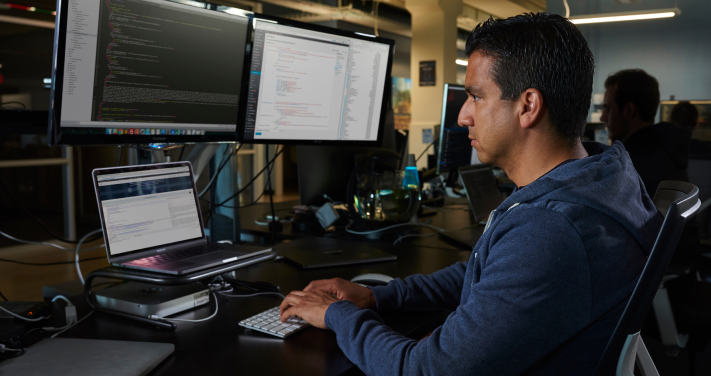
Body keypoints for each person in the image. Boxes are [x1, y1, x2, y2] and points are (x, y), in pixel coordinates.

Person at [279, 13, 662, 375]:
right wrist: (378, 296)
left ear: (528, 105)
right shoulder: (599, 176)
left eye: (476, 96)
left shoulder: (552, 229)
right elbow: (493, 271)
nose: (464, 116)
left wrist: (336, 315)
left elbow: (424, 370)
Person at [601, 69, 691, 198]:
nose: (602, 117)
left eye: (608, 109)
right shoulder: (668, 148)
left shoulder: (626, 165)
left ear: (629, 110)